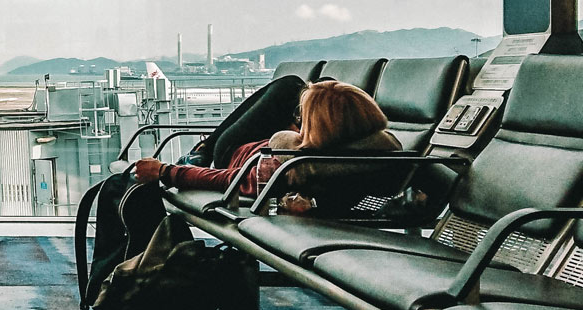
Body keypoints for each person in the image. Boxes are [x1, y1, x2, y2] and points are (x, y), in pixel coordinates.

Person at [132, 80, 400, 213]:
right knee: (326, 87)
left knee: (289, 86)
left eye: (302, 118)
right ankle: (203, 149)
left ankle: (204, 150)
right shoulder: (378, 154)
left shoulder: (287, 164)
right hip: (272, 147)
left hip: (233, 152)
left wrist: (166, 171)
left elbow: (230, 178)